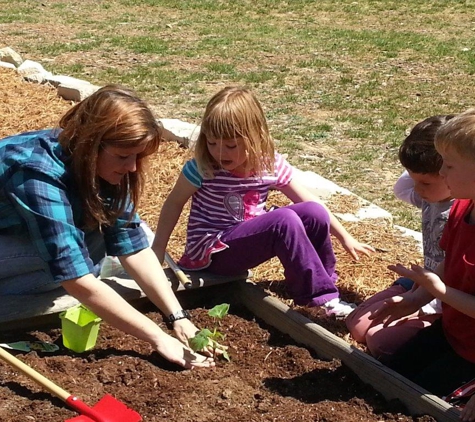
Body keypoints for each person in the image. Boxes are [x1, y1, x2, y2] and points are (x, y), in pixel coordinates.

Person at [0, 85, 213, 369]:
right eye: (123, 156)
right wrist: (158, 338)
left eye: (138, 157)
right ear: (90, 144)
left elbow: (132, 243)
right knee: (73, 265)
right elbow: (73, 273)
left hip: (15, 238)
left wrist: (178, 317)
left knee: (98, 245)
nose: (133, 167)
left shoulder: (100, 167)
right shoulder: (36, 173)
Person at [152, 86, 374, 318]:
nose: (219, 152)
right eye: (212, 143)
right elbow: (173, 203)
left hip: (246, 243)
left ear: (255, 136)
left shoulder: (269, 165)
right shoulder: (203, 168)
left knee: (313, 212)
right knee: (283, 220)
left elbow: (311, 201)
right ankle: (318, 300)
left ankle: (325, 286)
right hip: (211, 253)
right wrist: (158, 248)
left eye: (230, 145)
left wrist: (345, 236)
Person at [369, 108, 475, 398]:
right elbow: (448, 262)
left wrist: (441, 292)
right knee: (386, 378)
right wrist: (415, 299)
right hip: (453, 335)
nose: (441, 172)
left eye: (450, 166)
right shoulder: (463, 208)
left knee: (420, 402)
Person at [346, 115, 454, 360]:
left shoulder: (458, 210)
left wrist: (423, 303)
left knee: (380, 343)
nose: (416, 189)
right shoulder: (430, 195)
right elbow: (401, 188)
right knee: (357, 326)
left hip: (442, 296)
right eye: (414, 179)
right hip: (422, 283)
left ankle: (426, 322)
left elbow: (451, 275)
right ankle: (403, 288)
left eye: (425, 182)